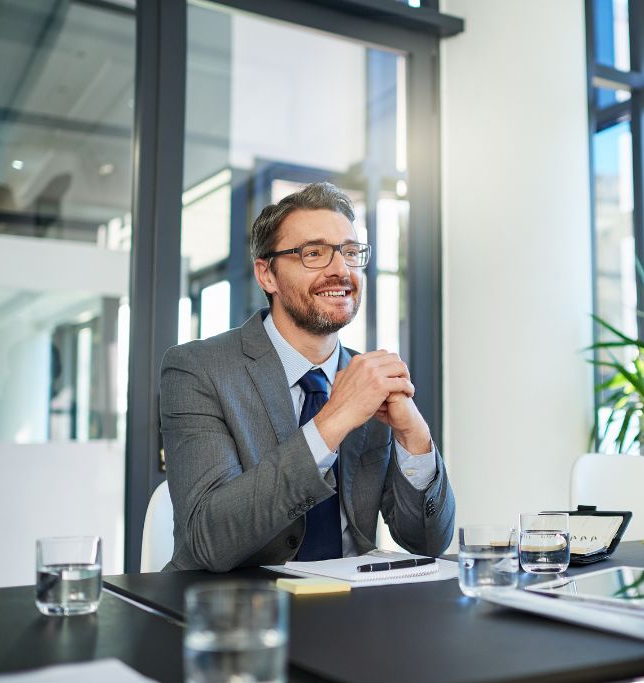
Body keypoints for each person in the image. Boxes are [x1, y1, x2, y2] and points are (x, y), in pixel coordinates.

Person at [160, 182, 455, 572]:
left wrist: (413, 438)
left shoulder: (368, 379)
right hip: (236, 613)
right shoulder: (197, 369)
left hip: (353, 610)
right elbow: (210, 540)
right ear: (267, 275)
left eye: (350, 252)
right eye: (314, 253)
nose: (340, 270)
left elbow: (427, 541)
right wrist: (334, 420)